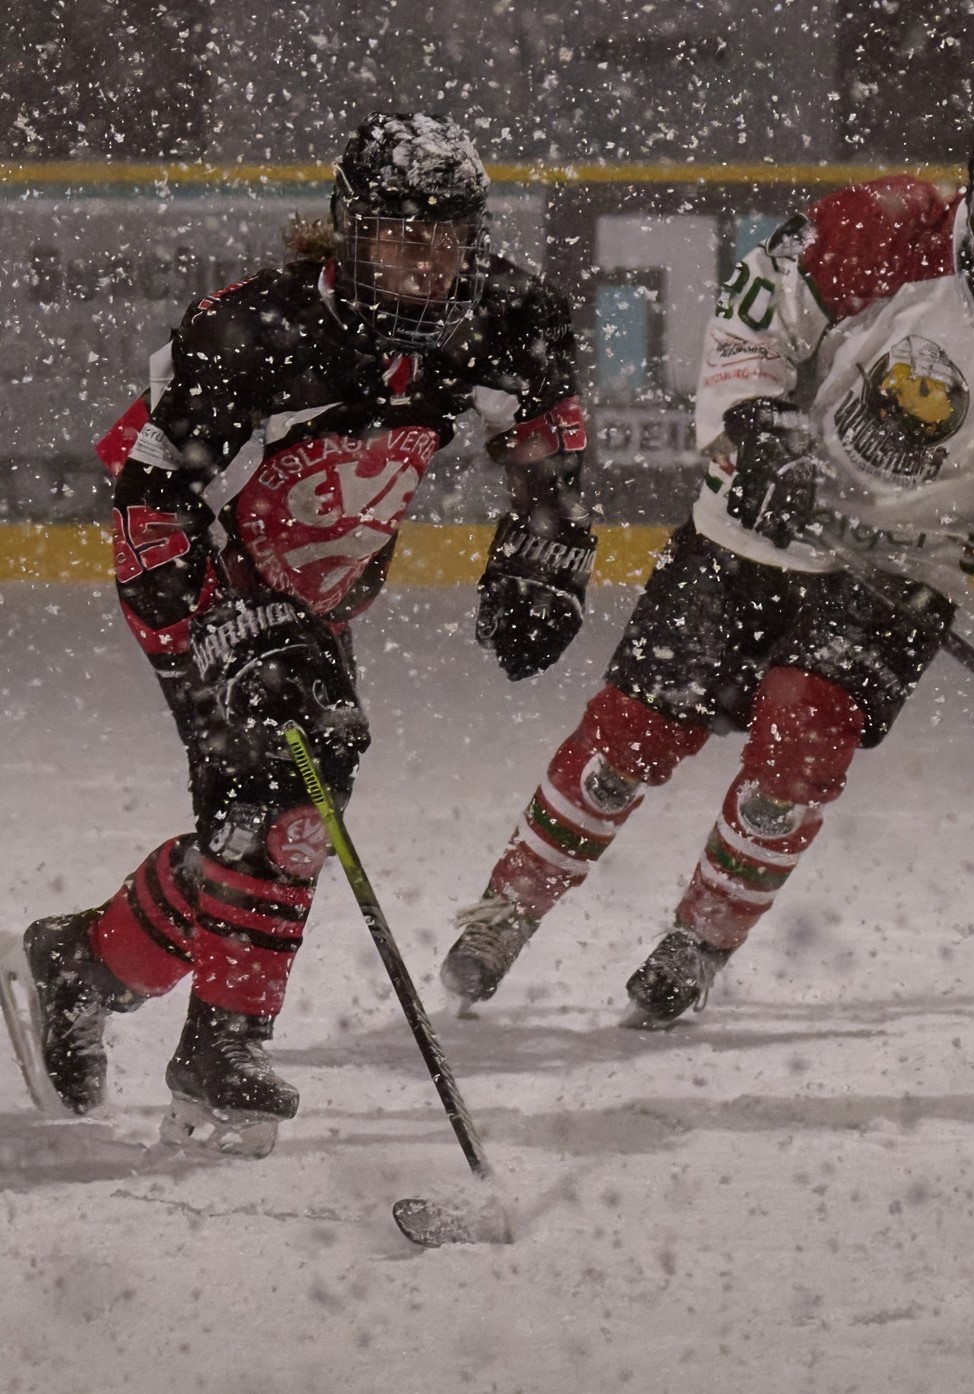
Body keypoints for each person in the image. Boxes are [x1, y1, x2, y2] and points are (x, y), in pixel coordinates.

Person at [437, 100, 974, 1028]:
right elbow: (750, 325)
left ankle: (702, 938)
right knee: (629, 737)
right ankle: (509, 908)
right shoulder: (880, 224)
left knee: (797, 756)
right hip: (752, 528)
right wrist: (756, 428)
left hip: (897, 572)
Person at [2, 113, 595, 1156]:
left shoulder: (505, 316)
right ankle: (220, 1051)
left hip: (320, 598)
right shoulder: (248, 334)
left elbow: (548, 433)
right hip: (200, 579)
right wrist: (222, 629)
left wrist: (543, 548)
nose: (429, 263)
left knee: (273, 818)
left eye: (450, 237)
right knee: (293, 781)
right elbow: (151, 512)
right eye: (402, 236)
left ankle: (83, 963)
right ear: (349, 230)